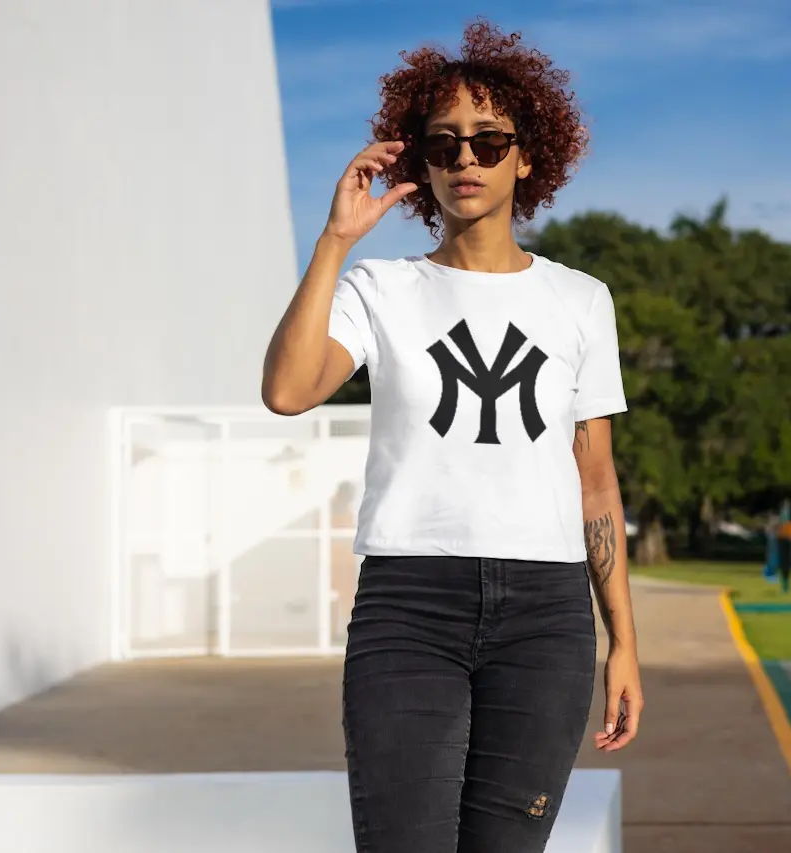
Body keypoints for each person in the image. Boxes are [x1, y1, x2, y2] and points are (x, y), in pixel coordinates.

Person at [261, 18, 643, 852]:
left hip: (547, 615)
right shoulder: (380, 288)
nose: (465, 159)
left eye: (488, 140)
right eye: (443, 145)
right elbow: (288, 390)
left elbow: (597, 481)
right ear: (419, 163)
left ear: (528, 155)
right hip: (409, 605)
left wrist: (623, 640)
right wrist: (334, 239)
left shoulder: (581, 300)